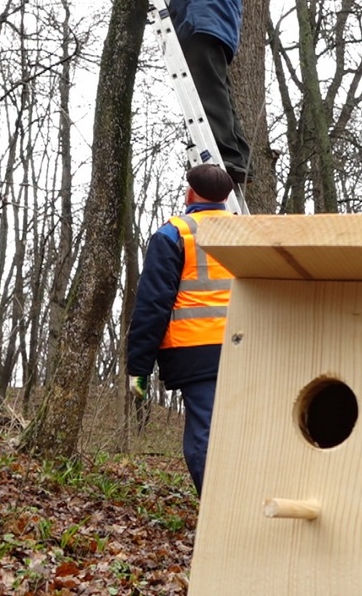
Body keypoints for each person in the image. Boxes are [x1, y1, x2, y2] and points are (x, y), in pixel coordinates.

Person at [126, 164, 235, 494]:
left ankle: (220, 519)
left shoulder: (175, 233)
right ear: (227, 197)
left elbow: (153, 305)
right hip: (246, 348)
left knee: (203, 439)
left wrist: (139, 369)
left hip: (195, 353)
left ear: (190, 193)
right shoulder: (246, 229)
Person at [155, 0, 255, 184]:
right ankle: (238, 159)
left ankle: (225, 157)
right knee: (219, 93)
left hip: (202, 23)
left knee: (208, 94)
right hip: (214, 26)